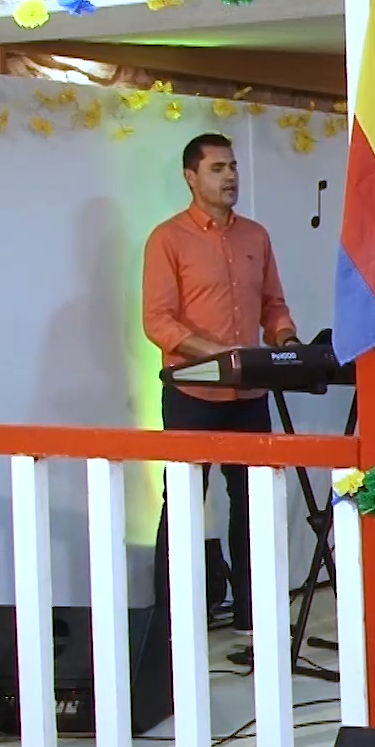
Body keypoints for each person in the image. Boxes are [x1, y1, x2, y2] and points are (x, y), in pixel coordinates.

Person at [142, 133, 298, 636]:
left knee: (253, 502)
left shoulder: (256, 236)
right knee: (183, 502)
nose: (230, 176)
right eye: (217, 168)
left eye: (233, 166)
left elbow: (273, 305)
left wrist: (287, 340)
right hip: (193, 393)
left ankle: (254, 616)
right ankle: (171, 623)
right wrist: (219, 354)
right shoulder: (167, 239)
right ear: (191, 177)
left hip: (250, 394)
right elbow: (158, 321)